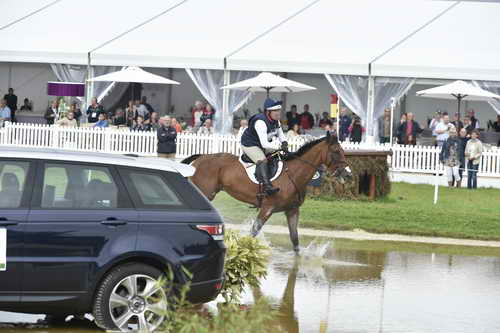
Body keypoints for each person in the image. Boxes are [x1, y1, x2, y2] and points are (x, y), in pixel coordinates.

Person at [240, 99, 288, 195]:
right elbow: (264, 144)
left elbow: (280, 134)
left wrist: (284, 143)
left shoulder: (276, 121)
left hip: (261, 144)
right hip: (250, 144)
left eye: (279, 110)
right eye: (275, 111)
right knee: (263, 160)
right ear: (268, 112)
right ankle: (267, 186)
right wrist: (279, 146)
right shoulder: (260, 123)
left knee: (278, 155)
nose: (278, 113)